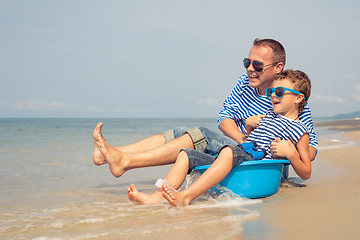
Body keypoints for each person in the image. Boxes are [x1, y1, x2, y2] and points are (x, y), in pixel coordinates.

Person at [92, 38, 318, 181]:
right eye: (247, 63)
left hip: (253, 157)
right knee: (183, 131)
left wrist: (283, 150)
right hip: (242, 143)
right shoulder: (244, 82)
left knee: (199, 135)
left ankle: (125, 162)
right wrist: (244, 135)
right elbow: (224, 118)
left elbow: (310, 150)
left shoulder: (291, 99)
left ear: (278, 67)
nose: (250, 69)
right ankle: (108, 155)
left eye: (257, 65)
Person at [125, 69, 312, 206]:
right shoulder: (268, 116)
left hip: (256, 169)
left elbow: (306, 172)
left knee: (229, 151)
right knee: (187, 154)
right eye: (271, 92)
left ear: (298, 98)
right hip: (240, 156)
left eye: (279, 92)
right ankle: (156, 198)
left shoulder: (299, 130)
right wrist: (248, 126)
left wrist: (291, 154)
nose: (272, 96)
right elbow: (250, 142)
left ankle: (186, 196)